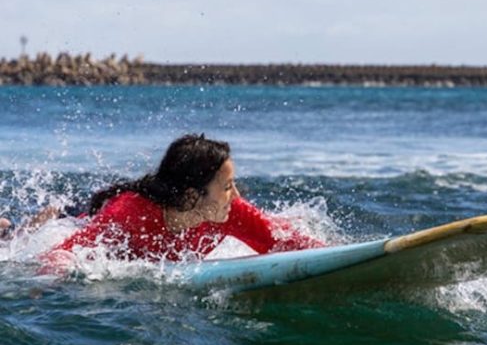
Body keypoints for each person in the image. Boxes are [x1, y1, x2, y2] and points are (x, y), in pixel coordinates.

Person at [12, 134, 323, 272]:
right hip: (83, 215)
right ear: (192, 195)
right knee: (45, 222)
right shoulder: (132, 213)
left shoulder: (228, 212)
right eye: (227, 186)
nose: (237, 196)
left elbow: (285, 242)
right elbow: (67, 249)